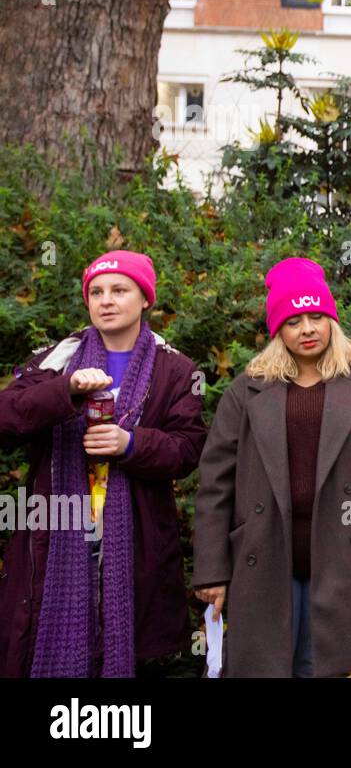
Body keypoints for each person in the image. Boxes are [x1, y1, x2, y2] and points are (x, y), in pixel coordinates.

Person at [192, 258, 351, 677]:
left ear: (331, 320)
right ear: (278, 331)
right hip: (266, 550)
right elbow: (215, 483)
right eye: (293, 321)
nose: (307, 329)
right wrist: (212, 569)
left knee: (318, 664)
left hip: (343, 551)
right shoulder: (247, 389)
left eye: (316, 316)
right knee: (267, 664)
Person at [0, 250, 207, 677]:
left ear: (145, 298)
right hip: (55, 537)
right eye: (96, 292)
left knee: (125, 655)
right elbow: (8, 416)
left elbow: (188, 451)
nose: (106, 300)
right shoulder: (57, 358)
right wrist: (65, 391)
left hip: (136, 544)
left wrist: (131, 444)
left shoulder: (176, 369)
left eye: (119, 290)